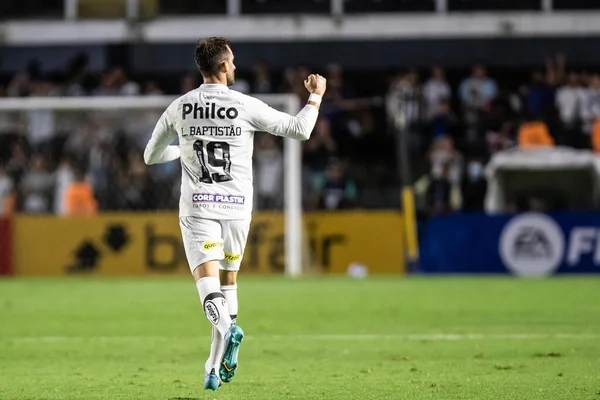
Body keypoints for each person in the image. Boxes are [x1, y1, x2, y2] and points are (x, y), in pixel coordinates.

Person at [143, 37, 326, 391]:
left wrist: (182, 150)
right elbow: (300, 130)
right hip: (238, 208)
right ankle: (213, 367)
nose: (236, 66)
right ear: (224, 66)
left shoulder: (180, 107)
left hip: (198, 208)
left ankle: (229, 332)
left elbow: (151, 156)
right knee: (228, 283)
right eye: (234, 61)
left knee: (207, 285)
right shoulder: (244, 105)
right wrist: (316, 94)